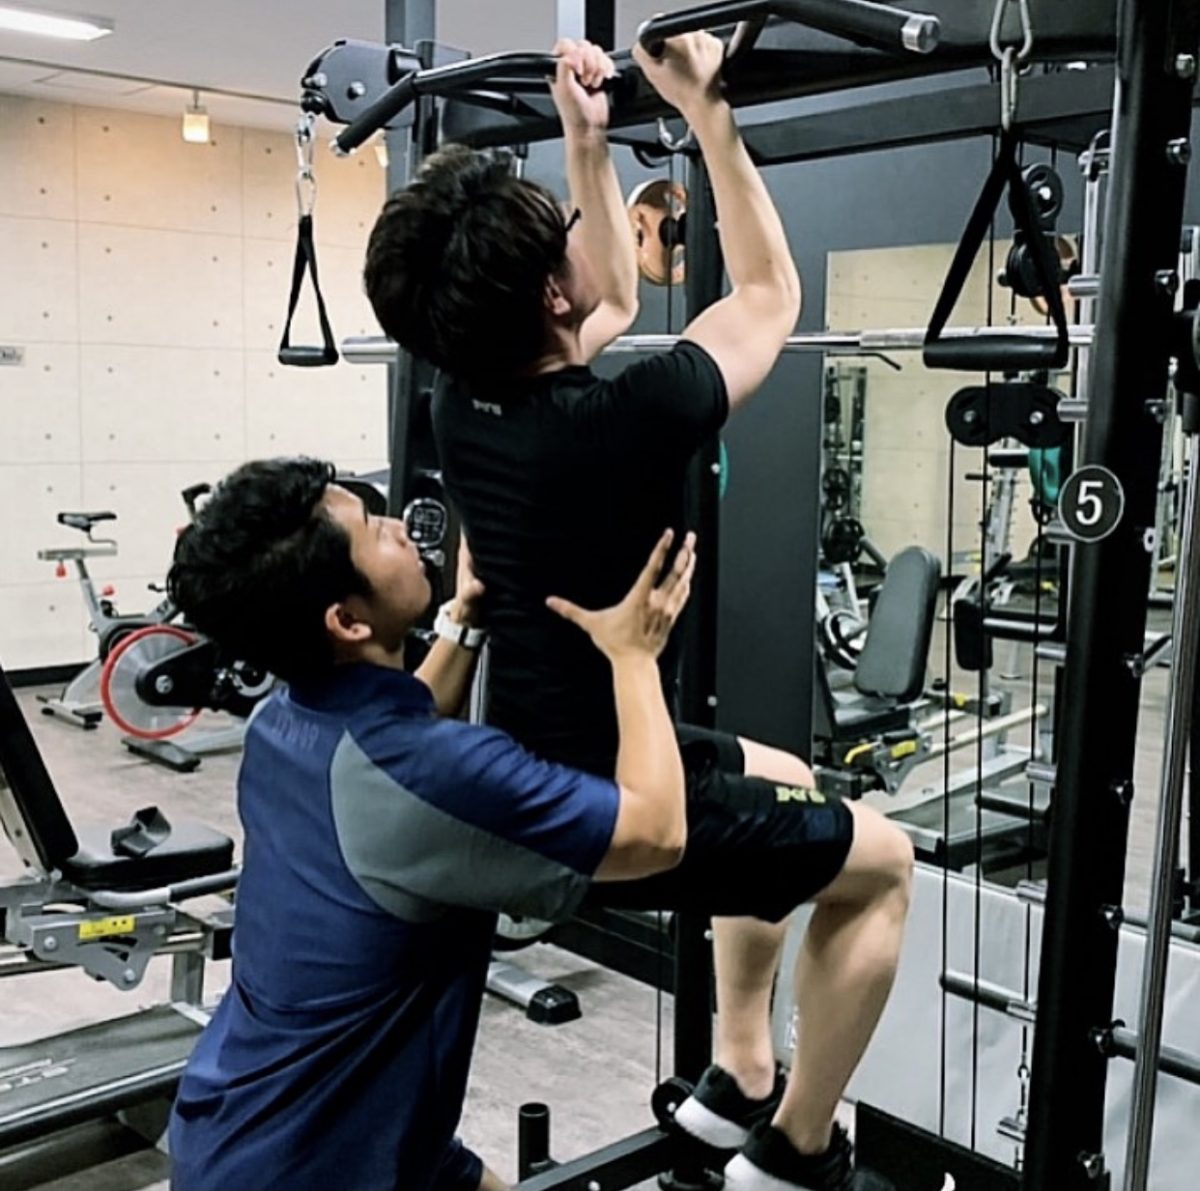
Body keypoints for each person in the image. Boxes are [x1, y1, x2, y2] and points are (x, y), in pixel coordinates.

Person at [363, 33, 914, 1191]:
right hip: (611, 804)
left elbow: (607, 295)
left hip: (541, 756)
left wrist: (587, 138)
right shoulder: (630, 418)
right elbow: (767, 295)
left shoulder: (461, 399)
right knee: (885, 864)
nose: (587, 237)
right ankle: (799, 1152)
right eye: (568, 232)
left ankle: (742, 1068)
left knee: (789, 780)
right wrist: (708, 115)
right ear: (549, 293)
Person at [164, 457, 697, 1191]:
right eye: (372, 529)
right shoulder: (431, 767)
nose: (399, 526)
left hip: (288, 1126)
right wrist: (634, 656)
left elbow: (396, 739)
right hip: (316, 1167)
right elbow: (657, 834)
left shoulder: (281, 724)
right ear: (347, 622)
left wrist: (463, 623)